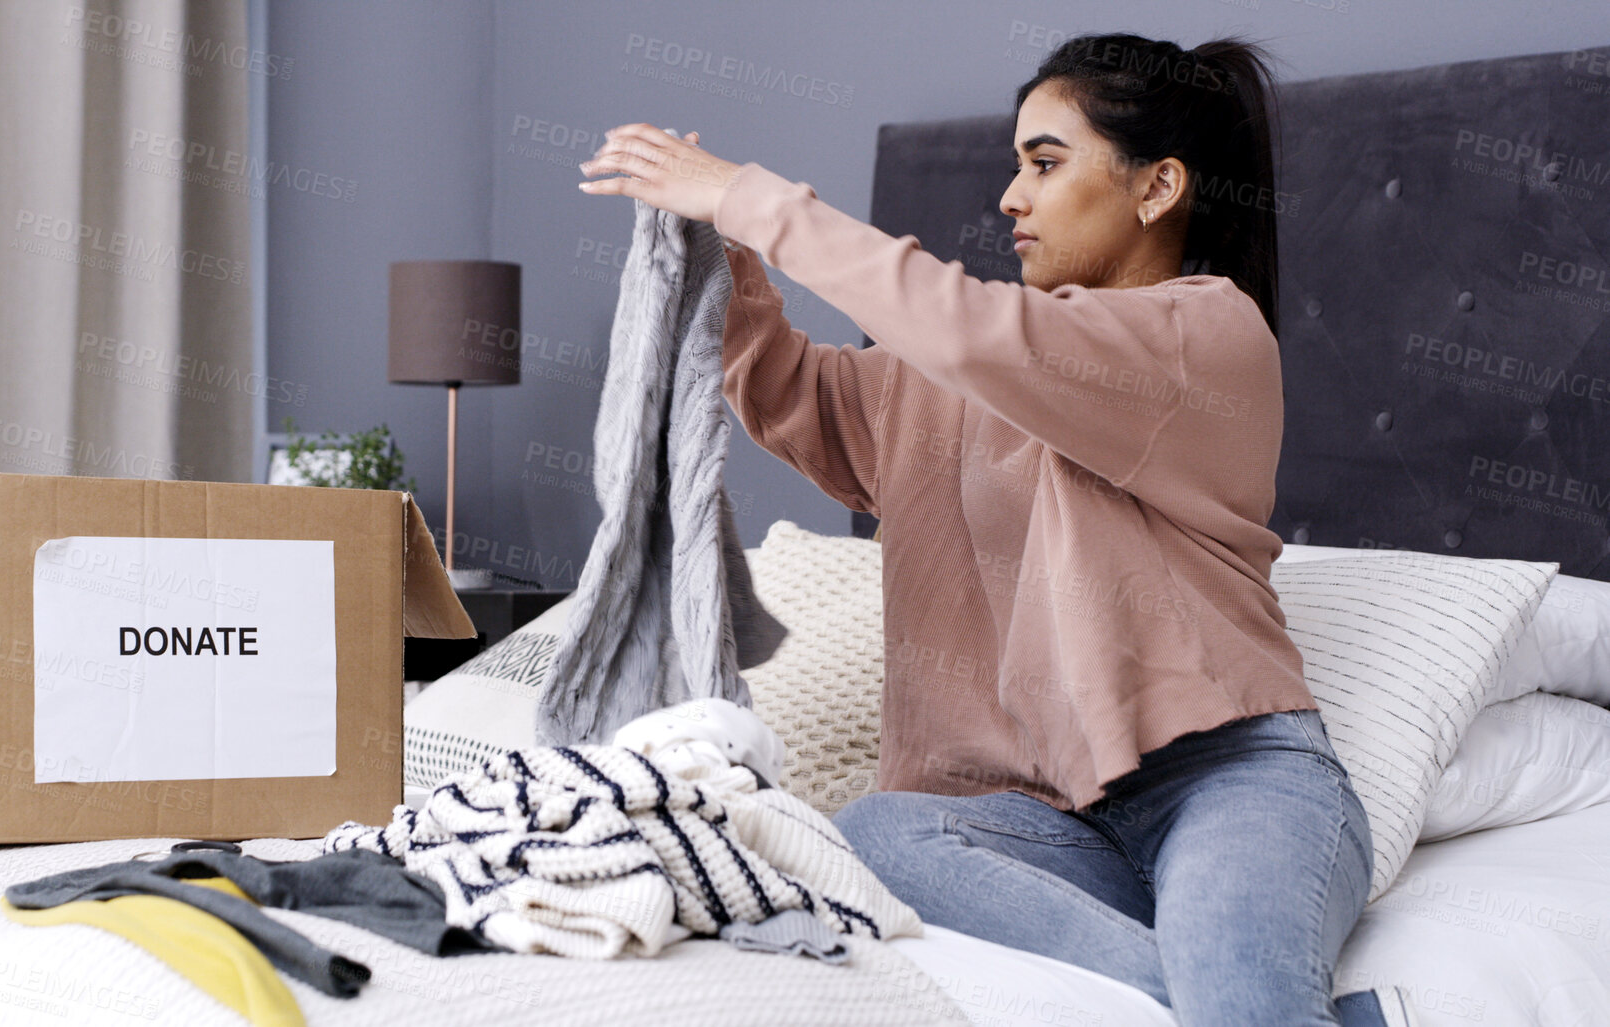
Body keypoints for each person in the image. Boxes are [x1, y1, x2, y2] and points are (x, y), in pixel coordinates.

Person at [578, 31, 1413, 1027]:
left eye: (1046, 164)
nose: (1012, 196)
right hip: (1051, 823)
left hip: (1232, 782)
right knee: (876, 833)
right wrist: (728, 259)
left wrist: (753, 193)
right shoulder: (960, 374)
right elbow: (787, 392)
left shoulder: (1204, 335)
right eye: (1016, 165)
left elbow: (979, 333)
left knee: (1244, 1006)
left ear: (1158, 190)